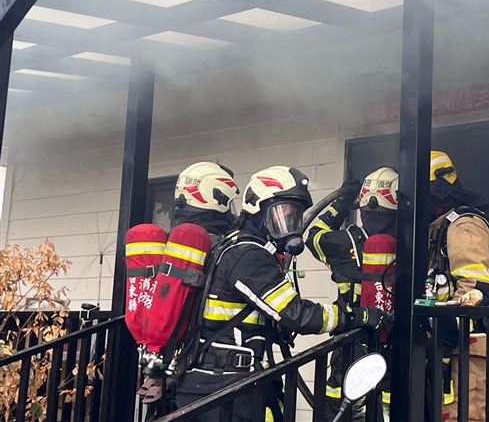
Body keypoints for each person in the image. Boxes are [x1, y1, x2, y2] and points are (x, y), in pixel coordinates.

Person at [175, 166, 391, 422]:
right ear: (256, 208)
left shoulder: (240, 247)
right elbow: (297, 314)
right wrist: (356, 316)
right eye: (281, 214)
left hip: (226, 383)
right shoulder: (249, 255)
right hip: (223, 389)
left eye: (293, 216)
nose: (288, 225)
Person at [138, 162, 240, 410]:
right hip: (206, 366)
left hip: (170, 359)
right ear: (217, 197)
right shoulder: (219, 246)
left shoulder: (179, 242)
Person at [426, 151, 489, 422]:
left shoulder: (463, 224)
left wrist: (448, 327)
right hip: (458, 349)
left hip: (471, 347)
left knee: (470, 416)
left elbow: (475, 290)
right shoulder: (441, 226)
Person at [306, 167, 399, 421]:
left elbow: (314, 236)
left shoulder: (343, 242)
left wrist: (341, 202)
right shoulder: (411, 243)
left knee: (339, 406)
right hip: (395, 345)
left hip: (350, 344)